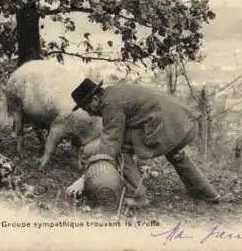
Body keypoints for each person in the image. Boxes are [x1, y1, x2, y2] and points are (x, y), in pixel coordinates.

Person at [65, 78, 221, 207]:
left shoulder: (109, 103)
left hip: (166, 128)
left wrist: (85, 178)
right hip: (183, 125)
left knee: (121, 149)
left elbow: (111, 142)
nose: (90, 114)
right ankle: (206, 192)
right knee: (176, 153)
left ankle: (137, 196)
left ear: (94, 99)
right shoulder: (115, 92)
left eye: (87, 109)